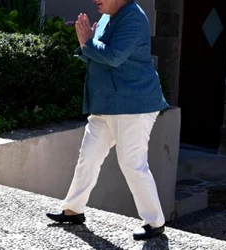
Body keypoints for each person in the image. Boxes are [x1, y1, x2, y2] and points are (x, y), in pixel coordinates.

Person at [46, 0, 169, 240]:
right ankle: (73, 210)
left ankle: (155, 222)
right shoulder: (105, 17)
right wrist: (87, 45)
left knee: (132, 163)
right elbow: (97, 55)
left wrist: (87, 43)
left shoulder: (133, 17)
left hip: (133, 105)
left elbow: (113, 57)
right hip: (106, 104)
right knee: (88, 156)